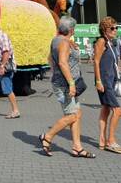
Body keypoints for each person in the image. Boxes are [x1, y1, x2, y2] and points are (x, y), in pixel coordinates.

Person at [39, 16, 95, 158]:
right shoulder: (63, 42)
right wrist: (70, 83)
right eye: (74, 28)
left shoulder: (57, 40)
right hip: (65, 84)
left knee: (77, 114)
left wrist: (70, 45)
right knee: (72, 115)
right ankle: (47, 136)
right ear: (71, 29)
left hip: (64, 81)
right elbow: (63, 63)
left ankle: (77, 147)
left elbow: (50, 59)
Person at [93, 16, 121, 154]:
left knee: (106, 109)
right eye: (112, 28)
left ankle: (102, 139)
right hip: (105, 81)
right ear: (104, 29)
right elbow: (96, 61)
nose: (115, 30)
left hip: (111, 80)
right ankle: (111, 141)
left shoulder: (111, 43)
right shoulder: (101, 41)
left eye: (116, 28)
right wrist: (98, 81)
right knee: (118, 111)